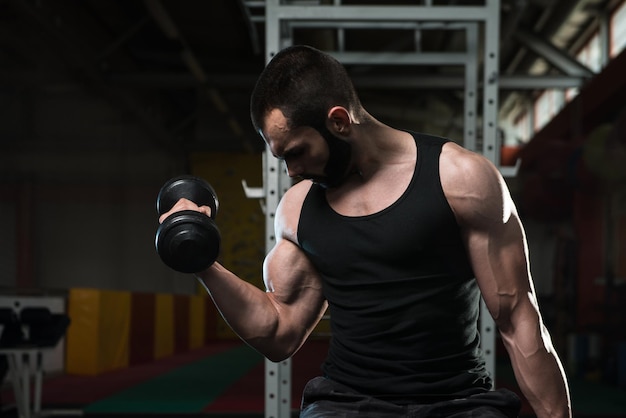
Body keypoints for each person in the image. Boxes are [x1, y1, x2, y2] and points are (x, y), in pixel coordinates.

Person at [159, 45, 571, 417]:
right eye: (282, 158)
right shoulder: (300, 209)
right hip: (347, 403)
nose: (292, 171)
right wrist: (202, 262)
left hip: (458, 401)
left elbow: (518, 319)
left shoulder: (460, 179)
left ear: (338, 121)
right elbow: (278, 332)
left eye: (298, 152)